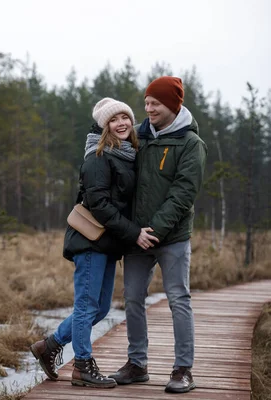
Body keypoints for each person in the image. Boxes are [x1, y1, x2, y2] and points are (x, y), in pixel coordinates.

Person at [30, 98, 159, 388]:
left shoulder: (126, 153)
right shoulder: (98, 157)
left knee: (99, 309)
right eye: (114, 119)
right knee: (87, 305)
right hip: (90, 242)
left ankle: (49, 346)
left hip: (107, 243)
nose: (122, 122)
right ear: (105, 126)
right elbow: (99, 204)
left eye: (126, 116)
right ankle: (82, 367)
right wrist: (134, 232)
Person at [108, 76, 207, 394]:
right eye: (146, 102)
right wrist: (133, 231)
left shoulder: (191, 144)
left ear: (173, 105)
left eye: (155, 103)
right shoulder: (138, 137)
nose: (147, 108)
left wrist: (156, 231)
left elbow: (183, 193)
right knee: (133, 298)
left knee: (179, 299)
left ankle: (183, 370)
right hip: (137, 238)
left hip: (173, 237)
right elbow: (105, 151)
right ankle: (137, 365)